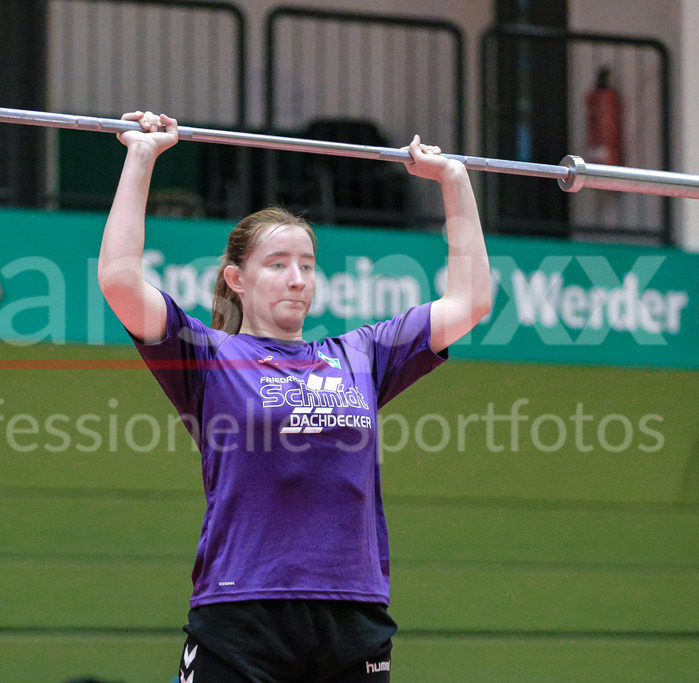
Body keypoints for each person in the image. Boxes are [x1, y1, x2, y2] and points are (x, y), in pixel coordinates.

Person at [98, 110, 492, 683]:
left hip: (350, 614)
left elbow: (470, 302)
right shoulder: (207, 357)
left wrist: (454, 183)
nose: (297, 278)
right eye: (278, 264)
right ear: (237, 278)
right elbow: (118, 279)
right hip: (241, 613)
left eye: (306, 265)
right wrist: (141, 157)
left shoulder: (362, 354)